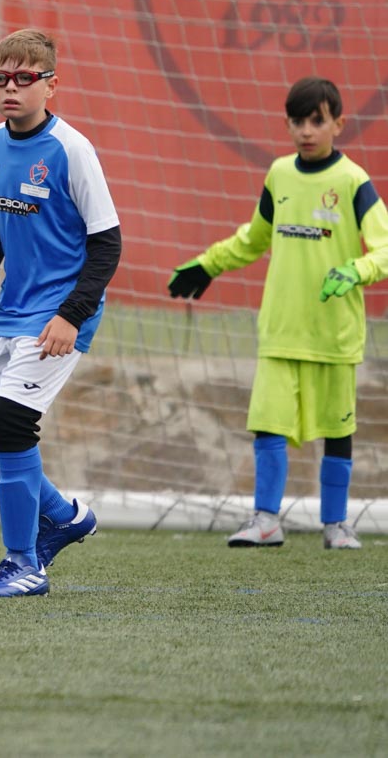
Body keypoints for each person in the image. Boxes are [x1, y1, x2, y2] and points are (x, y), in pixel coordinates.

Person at [0, 28, 121, 598]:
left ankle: (23, 564)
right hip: (10, 309)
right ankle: (61, 514)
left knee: (13, 426)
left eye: (24, 78)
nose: (10, 88)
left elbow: (107, 244)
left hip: (60, 314)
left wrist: (70, 315)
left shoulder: (72, 150)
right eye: (0, 79)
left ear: (51, 85)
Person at [167, 76, 387, 551]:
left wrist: (357, 269)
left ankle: (336, 525)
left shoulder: (353, 182)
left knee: (338, 430)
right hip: (281, 330)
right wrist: (210, 263)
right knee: (267, 424)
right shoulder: (280, 174)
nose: (306, 130)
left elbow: (386, 247)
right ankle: (266, 520)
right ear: (287, 124)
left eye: (317, 120)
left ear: (338, 124)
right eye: (297, 121)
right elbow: (254, 237)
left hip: (333, 334)